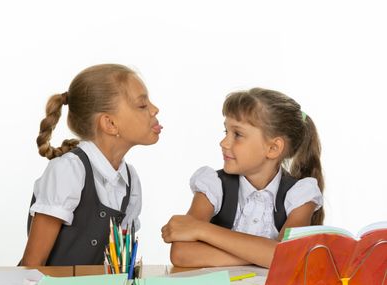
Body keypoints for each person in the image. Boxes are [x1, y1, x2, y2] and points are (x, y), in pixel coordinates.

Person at [161, 88, 323, 268]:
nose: (224, 143)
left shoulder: (300, 195)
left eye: (237, 134)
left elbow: (289, 256)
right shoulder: (213, 185)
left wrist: (201, 230)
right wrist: (265, 255)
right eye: (226, 132)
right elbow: (182, 254)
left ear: (273, 148)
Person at [21, 64, 162, 266]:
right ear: (110, 124)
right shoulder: (68, 171)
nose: (155, 109)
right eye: (142, 105)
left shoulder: (130, 180)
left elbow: (119, 266)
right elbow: (32, 264)